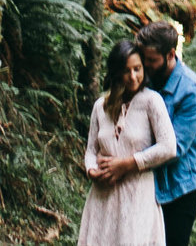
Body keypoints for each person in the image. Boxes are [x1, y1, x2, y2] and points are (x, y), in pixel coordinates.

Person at [80, 39, 178, 246]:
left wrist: (128, 163)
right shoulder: (100, 107)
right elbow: (90, 150)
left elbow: (169, 146)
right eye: (126, 70)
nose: (133, 77)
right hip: (102, 198)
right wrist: (92, 171)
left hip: (136, 197)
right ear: (116, 72)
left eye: (138, 69)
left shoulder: (152, 101)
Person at [135, 23, 196, 246]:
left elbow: (173, 148)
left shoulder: (193, 91)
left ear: (171, 54)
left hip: (179, 190)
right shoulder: (141, 79)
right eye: (143, 59)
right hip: (144, 184)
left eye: (152, 60)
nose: (145, 65)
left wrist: (128, 162)